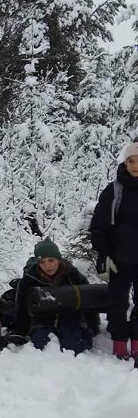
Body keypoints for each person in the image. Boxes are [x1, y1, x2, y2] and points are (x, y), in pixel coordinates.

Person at [90, 142, 138, 359]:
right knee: (117, 302)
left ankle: (137, 342)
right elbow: (99, 225)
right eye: (131, 161)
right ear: (125, 162)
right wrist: (102, 253)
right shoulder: (115, 190)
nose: (135, 165)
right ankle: (119, 344)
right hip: (119, 259)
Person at [14, 239, 97, 355]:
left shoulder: (72, 275)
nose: (47, 266)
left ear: (58, 259)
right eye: (42, 262)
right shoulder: (29, 280)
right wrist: (20, 332)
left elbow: (88, 300)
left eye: (51, 260)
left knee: (74, 347)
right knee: (43, 347)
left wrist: (93, 327)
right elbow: (22, 307)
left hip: (70, 317)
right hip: (42, 320)